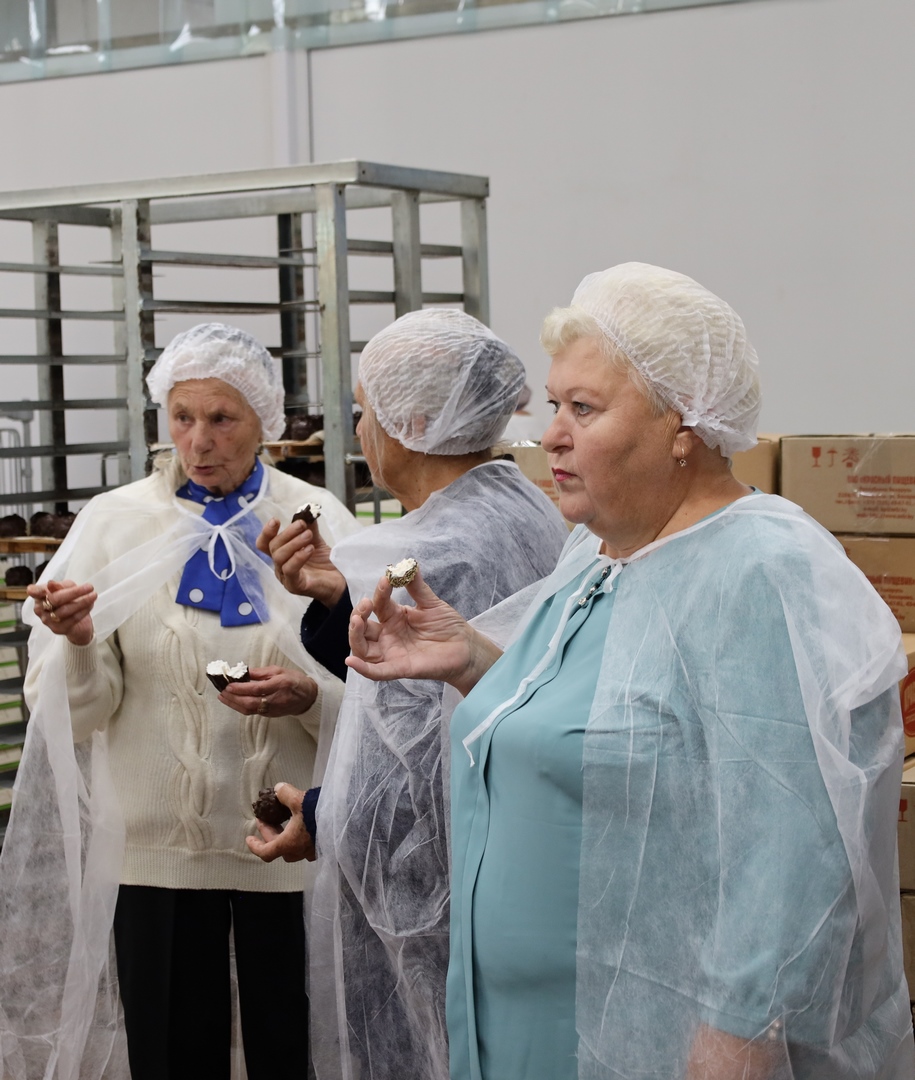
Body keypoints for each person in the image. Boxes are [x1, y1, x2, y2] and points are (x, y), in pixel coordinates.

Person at [346, 264, 915, 1080]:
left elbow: (791, 851)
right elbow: (615, 730)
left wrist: (737, 1042)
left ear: (681, 424)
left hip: (643, 1039)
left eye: (583, 409)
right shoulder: (597, 554)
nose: (551, 436)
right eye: (553, 406)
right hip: (524, 1027)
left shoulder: (759, 572)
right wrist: (472, 660)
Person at [0, 323, 361, 1080]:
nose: (199, 440)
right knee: (169, 1055)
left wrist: (307, 698)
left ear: (264, 419)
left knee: (293, 1052)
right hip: (155, 856)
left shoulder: (315, 519)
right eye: (182, 416)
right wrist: (78, 641)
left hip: (289, 848)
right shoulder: (114, 523)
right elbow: (74, 715)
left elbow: (375, 688)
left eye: (222, 418)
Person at [251, 307, 569, 1080]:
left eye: (365, 409)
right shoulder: (518, 506)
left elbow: (418, 774)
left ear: (416, 423)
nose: (360, 429)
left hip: (445, 903)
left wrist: (320, 812)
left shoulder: (442, 549)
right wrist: (339, 596)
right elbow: (418, 684)